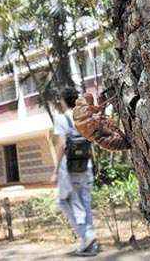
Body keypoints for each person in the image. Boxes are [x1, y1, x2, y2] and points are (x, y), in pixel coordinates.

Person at [51, 87, 98, 256]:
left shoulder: (61, 118)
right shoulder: (84, 115)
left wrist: (55, 170)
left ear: (63, 101)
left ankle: (86, 236)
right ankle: (90, 241)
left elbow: (62, 144)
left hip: (69, 168)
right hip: (86, 165)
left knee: (64, 201)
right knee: (85, 202)